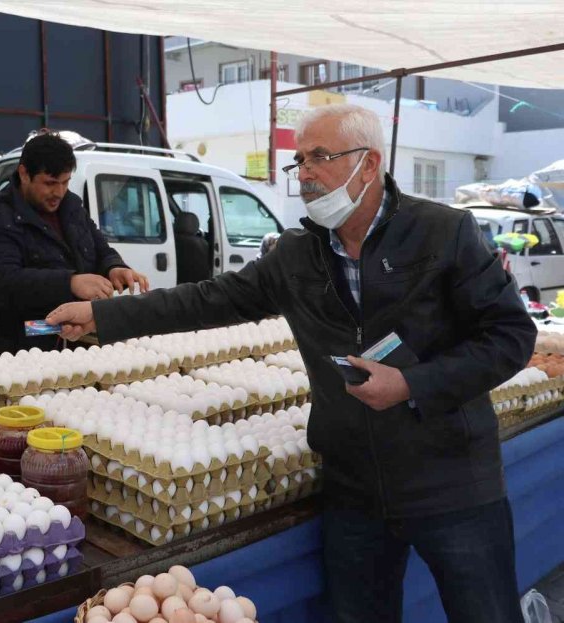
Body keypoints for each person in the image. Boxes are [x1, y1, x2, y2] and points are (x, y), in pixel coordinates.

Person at [48, 104, 535, 623]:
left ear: (369, 164)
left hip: (451, 478)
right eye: (299, 160)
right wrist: (103, 314)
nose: (303, 173)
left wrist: (412, 384)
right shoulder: (297, 253)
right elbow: (208, 299)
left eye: (319, 157)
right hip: (355, 488)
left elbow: (510, 335)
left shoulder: (443, 233)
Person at [0, 131, 148, 354]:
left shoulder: (71, 207)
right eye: (50, 183)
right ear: (24, 174)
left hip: (76, 341)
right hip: (23, 344)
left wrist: (114, 267)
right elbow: (1, 281)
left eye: (65, 182)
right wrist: (70, 283)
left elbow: (99, 248)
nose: (59, 192)